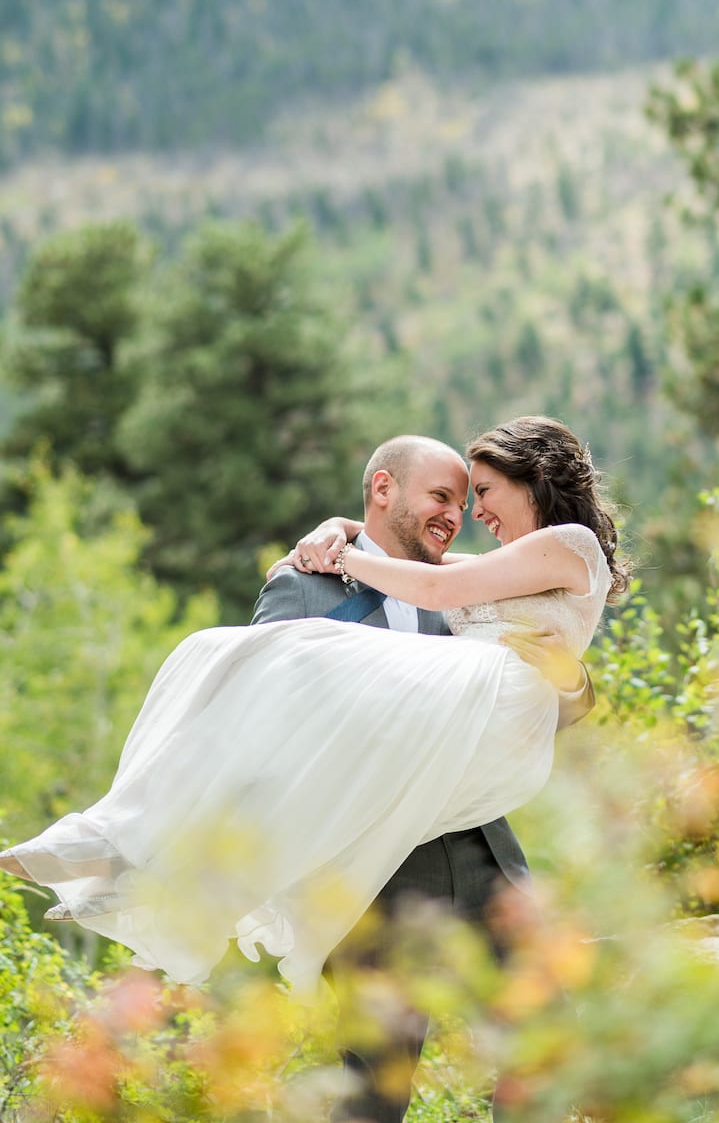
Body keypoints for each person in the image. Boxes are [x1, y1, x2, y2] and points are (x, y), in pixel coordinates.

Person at [0, 417, 627, 1012]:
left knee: (276, 654)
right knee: (261, 667)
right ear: (386, 489)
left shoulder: (562, 545)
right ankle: (138, 856)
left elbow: (435, 590)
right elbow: (266, 718)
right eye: (455, 496)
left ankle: (133, 853)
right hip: (413, 786)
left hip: (482, 750)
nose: (472, 515)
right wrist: (342, 530)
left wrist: (343, 551)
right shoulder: (425, 574)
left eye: (481, 493)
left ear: (532, 476)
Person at [251, 430, 598, 1123]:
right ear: (384, 490)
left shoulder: (463, 589)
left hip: (480, 850)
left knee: (543, 1042)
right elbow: (263, 704)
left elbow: (537, 705)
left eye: (469, 499)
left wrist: (570, 682)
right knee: (374, 1085)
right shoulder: (305, 582)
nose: (459, 515)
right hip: (372, 868)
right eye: (442, 496)